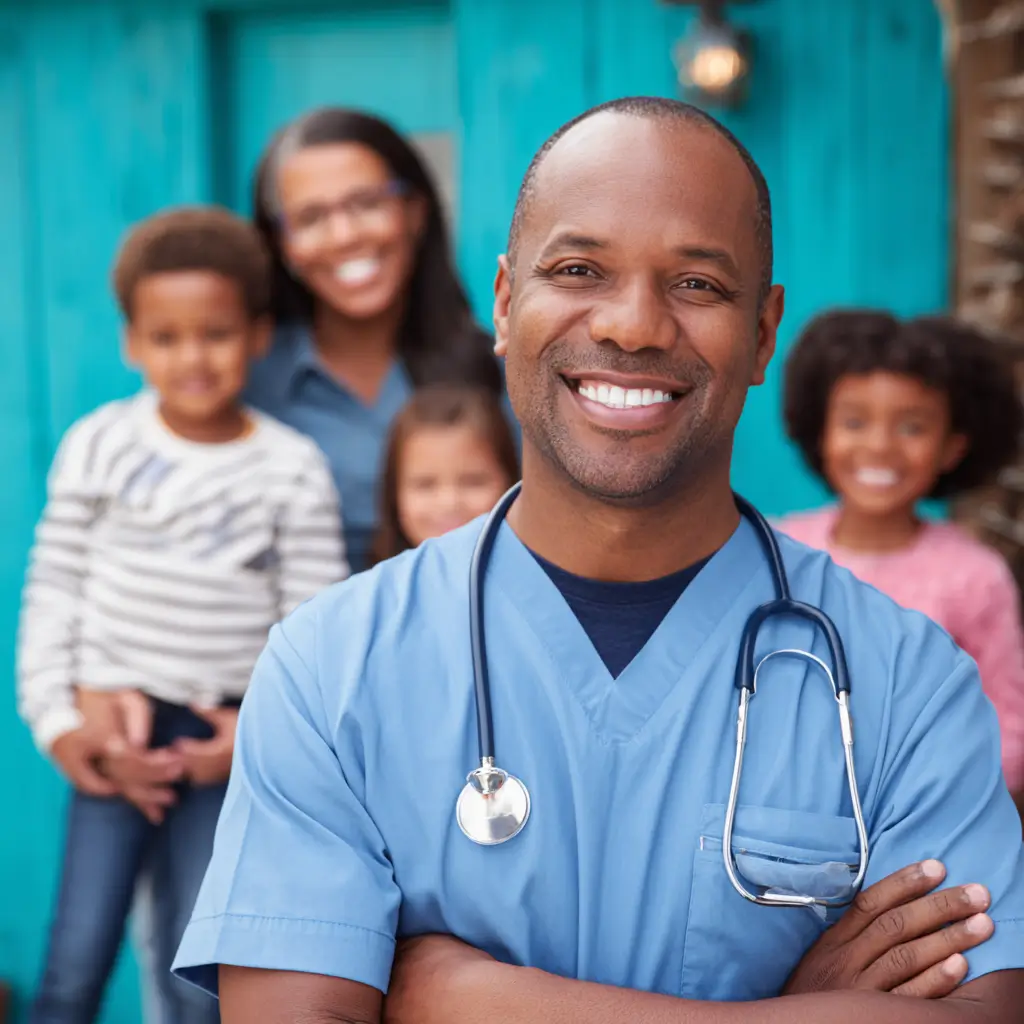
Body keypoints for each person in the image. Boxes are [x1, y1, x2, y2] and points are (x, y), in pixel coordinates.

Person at [173, 98, 1024, 1022]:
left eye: (698, 285)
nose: (633, 326)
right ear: (504, 303)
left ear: (765, 334)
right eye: (579, 269)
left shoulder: (907, 681)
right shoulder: (330, 668)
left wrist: (475, 1001)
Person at [17, 206, 348, 1024]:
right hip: (112, 738)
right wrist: (62, 726)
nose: (192, 358)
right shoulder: (99, 445)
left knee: (200, 975)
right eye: (166, 338)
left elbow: (310, 628)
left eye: (216, 333)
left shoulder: (291, 468)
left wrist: (253, 737)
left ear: (258, 334)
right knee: (75, 961)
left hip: (224, 744)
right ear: (133, 343)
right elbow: (53, 588)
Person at [776, 311, 1024, 804]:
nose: (880, 446)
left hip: (923, 826)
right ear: (820, 432)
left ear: (952, 448)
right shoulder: (777, 552)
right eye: (854, 421)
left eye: (912, 426)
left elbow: (1009, 726)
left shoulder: (975, 577)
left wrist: (938, 797)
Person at [247, 107, 504, 573]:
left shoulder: (500, 371)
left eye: (366, 203)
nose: (344, 235)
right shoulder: (246, 382)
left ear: (415, 211)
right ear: (281, 243)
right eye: (310, 217)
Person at [369, 385, 519, 566]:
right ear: (394, 494)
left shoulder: (543, 586)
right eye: (425, 485)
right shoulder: (375, 591)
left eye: (473, 482)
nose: (449, 503)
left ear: (511, 482)